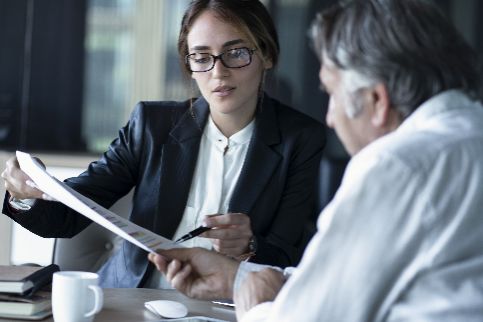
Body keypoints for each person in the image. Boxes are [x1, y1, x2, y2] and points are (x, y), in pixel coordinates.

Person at [148, 0, 483, 320]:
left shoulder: (396, 165)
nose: (331, 117)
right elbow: (350, 280)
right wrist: (238, 277)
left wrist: (254, 307)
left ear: (377, 100)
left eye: (332, 94)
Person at [1, 0, 326, 288]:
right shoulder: (151, 125)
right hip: (133, 300)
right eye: (201, 57)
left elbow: (291, 257)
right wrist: (24, 193)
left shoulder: (301, 139)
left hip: (229, 308)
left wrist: (250, 245)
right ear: (190, 65)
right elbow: (68, 215)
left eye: (236, 53)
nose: (219, 72)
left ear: (266, 55)